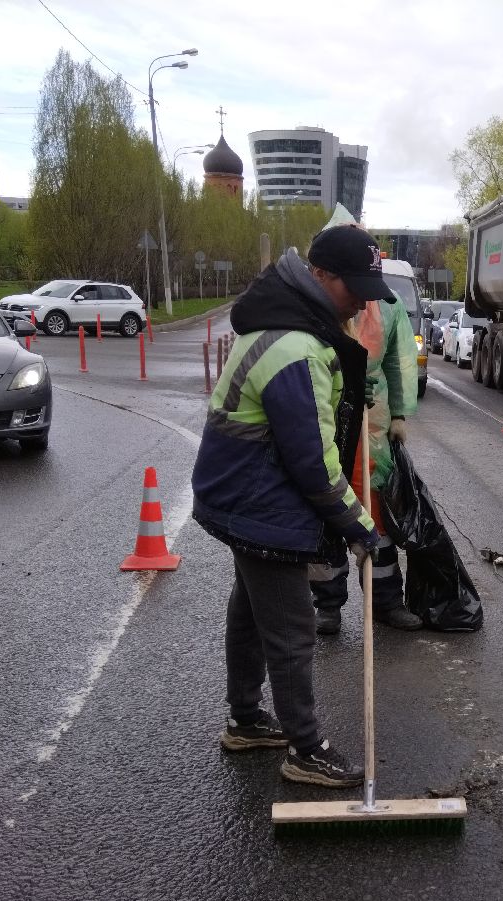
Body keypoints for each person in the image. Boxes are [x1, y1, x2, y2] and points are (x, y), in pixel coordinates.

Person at [191, 225, 398, 788]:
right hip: (260, 500)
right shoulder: (295, 347)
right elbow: (312, 459)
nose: (362, 299)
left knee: (251, 610)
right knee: (290, 626)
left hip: (239, 492)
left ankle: (245, 719)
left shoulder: (287, 327)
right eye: (353, 286)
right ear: (320, 275)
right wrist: (359, 526)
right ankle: (305, 750)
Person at [310, 285, 422, 634]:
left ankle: (385, 601)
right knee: (327, 512)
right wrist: (345, 382)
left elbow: (399, 360)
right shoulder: (312, 303)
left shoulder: (387, 306)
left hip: (370, 428)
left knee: (375, 516)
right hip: (325, 423)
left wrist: (400, 413)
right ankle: (328, 605)